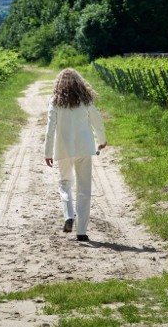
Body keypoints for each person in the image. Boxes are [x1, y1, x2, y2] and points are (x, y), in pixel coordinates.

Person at [43, 68, 107, 242]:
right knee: (84, 189)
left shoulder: (54, 101)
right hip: (84, 149)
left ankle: (68, 215)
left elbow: (50, 129)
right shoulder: (85, 100)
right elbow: (97, 120)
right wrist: (102, 139)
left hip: (63, 149)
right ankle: (82, 231)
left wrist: (47, 152)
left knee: (65, 183)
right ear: (79, 83)